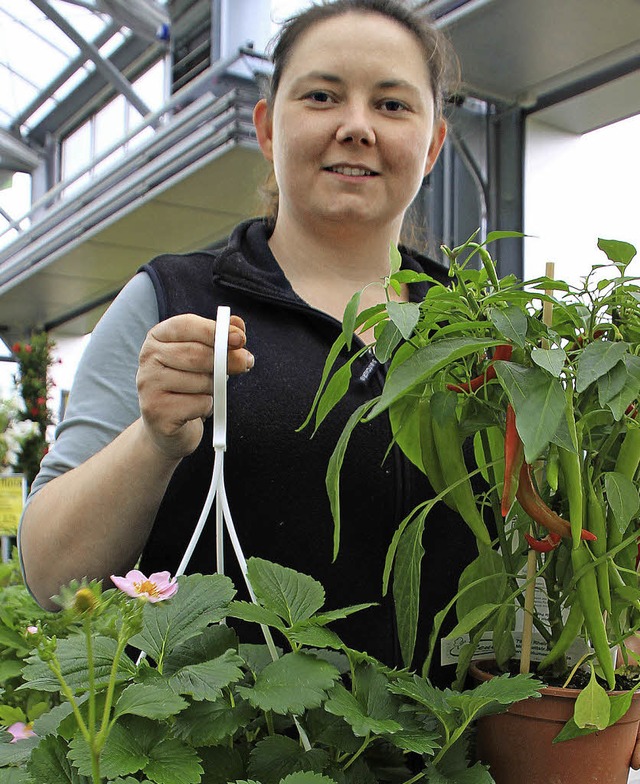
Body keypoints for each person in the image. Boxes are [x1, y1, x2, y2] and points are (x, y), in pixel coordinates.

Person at [19, 0, 475, 680]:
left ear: (433, 144)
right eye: (321, 96)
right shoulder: (175, 303)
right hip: (225, 747)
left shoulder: (474, 330)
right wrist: (155, 439)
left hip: (441, 749)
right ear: (267, 128)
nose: (355, 127)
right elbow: (50, 570)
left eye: (392, 105)